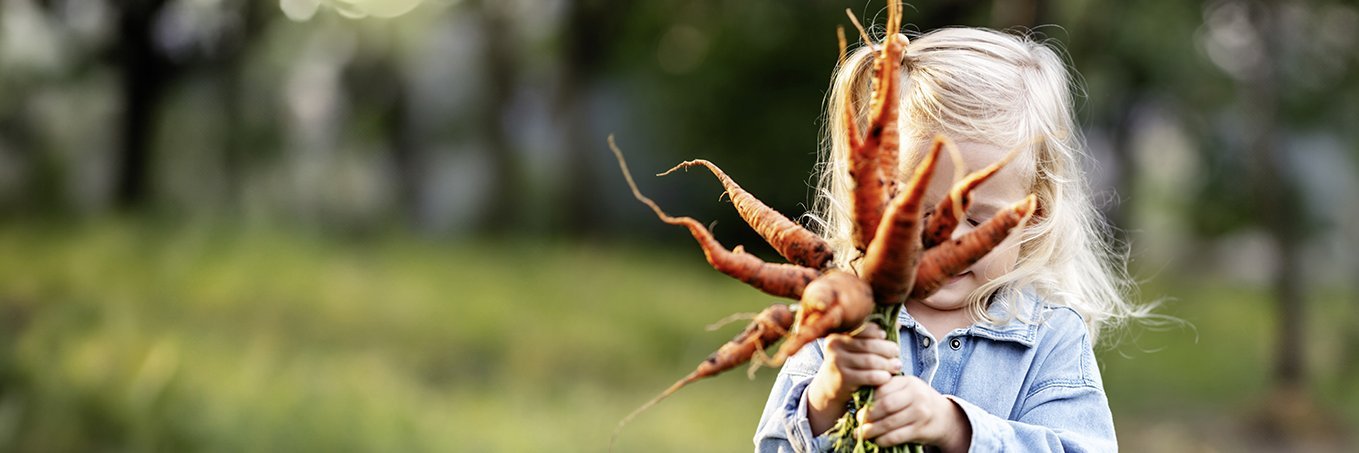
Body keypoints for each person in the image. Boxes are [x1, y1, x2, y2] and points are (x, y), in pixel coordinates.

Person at [753, 27, 1156, 452]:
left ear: (1029, 216)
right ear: (874, 206)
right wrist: (825, 398)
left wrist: (957, 429)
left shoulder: (1050, 336)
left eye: (981, 222)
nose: (947, 240)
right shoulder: (841, 319)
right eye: (920, 215)